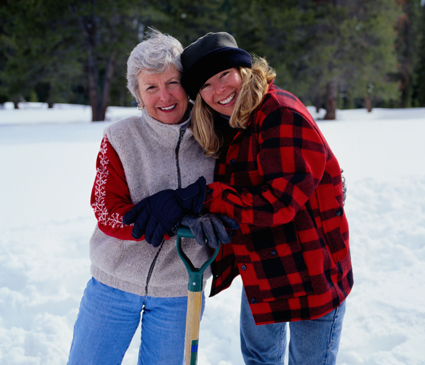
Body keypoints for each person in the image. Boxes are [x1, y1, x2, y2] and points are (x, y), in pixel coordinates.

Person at [180, 32, 353, 364]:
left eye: (223, 75)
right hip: (263, 266)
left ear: (243, 71)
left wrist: (210, 198)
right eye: (205, 86)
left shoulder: (279, 113)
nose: (218, 91)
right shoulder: (228, 125)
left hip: (311, 269)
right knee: (260, 358)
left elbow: (277, 203)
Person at [67, 30, 238, 365]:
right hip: (112, 287)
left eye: (172, 83)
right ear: (138, 95)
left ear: (187, 85)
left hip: (180, 290)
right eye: (151, 87)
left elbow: (235, 192)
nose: (165, 96)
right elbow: (106, 210)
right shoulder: (120, 138)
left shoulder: (215, 137)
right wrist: (174, 220)